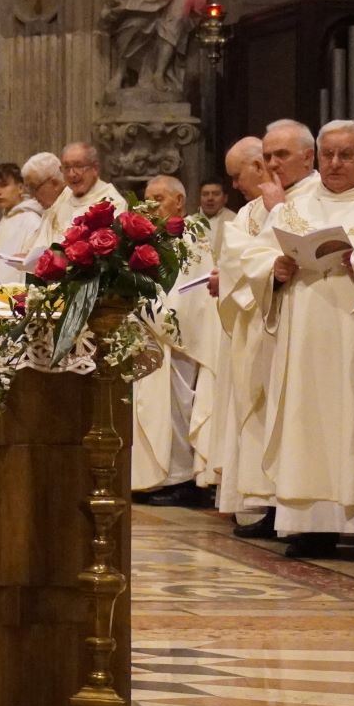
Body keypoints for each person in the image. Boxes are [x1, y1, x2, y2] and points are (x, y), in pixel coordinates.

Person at [259, 119, 354, 559]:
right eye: (328, 154)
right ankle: (309, 524)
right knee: (306, 418)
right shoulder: (298, 202)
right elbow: (262, 255)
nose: (334, 163)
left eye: (345, 155)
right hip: (304, 324)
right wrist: (274, 273)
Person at [214, 123, 317, 534]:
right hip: (257, 319)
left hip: (297, 323)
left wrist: (279, 212)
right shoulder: (251, 210)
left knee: (290, 415)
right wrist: (266, 270)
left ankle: (290, 505)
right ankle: (262, 499)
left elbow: (311, 243)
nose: (273, 165)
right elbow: (236, 254)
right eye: (269, 158)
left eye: (280, 156)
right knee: (257, 411)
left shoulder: (316, 197)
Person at [132, 175, 209, 502]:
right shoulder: (148, 241)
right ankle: (150, 479)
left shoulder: (194, 239)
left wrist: (146, 309)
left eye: (158, 199)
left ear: (179, 201)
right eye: (147, 200)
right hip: (147, 337)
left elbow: (191, 294)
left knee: (176, 407)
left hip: (176, 342)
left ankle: (179, 480)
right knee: (147, 407)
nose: (150, 207)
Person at [40, 141, 129, 247]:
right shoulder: (65, 195)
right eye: (66, 167)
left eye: (78, 166)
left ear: (95, 168)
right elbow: (42, 238)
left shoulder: (112, 202)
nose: (72, 174)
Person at [0, 161, 44, 285]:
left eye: (4, 185)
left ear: (20, 188)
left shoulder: (32, 221)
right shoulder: (5, 219)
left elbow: (30, 268)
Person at [197, 178, 234, 254]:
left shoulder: (235, 220)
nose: (210, 198)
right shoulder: (190, 223)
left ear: (225, 198)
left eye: (216, 194)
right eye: (205, 194)